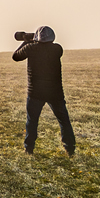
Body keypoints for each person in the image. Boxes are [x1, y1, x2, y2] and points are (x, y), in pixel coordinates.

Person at [13, 25, 75, 156]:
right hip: (55, 92)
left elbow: (15, 57)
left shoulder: (31, 48)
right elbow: (46, 48)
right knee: (64, 120)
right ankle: (70, 149)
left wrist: (26, 40)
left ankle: (28, 149)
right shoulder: (57, 49)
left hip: (35, 92)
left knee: (32, 121)